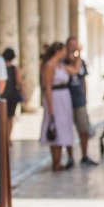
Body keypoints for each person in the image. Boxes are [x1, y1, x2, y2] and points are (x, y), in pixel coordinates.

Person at [39, 42, 79, 171]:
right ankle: (56, 162)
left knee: (63, 128)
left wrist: (78, 55)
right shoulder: (49, 65)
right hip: (55, 98)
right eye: (64, 50)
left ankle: (59, 160)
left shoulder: (61, 65)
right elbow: (48, 87)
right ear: (58, 51)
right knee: (55, 127)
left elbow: (75, 71)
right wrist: (50, 107)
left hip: (64, 98)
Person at [65, 36, 98, 167]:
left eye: (75, 45)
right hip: (67, 100)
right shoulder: (63, 62)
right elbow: (73, 72)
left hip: (79, 100)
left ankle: (84, 155)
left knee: (83, 129)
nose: (74, 47)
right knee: (68, 130)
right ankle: (70, 157)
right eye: (72, 45)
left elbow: (83, 80)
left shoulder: (82, 62)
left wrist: (85, 97)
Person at [0, 47, 26, 147]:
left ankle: (4, 138)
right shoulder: (14, 69)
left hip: (2, 96)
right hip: (11, 96)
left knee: (2, 118)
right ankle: (8, 138)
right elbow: (20, 82)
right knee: (10, 118)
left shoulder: (0, 68)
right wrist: (25, 95)